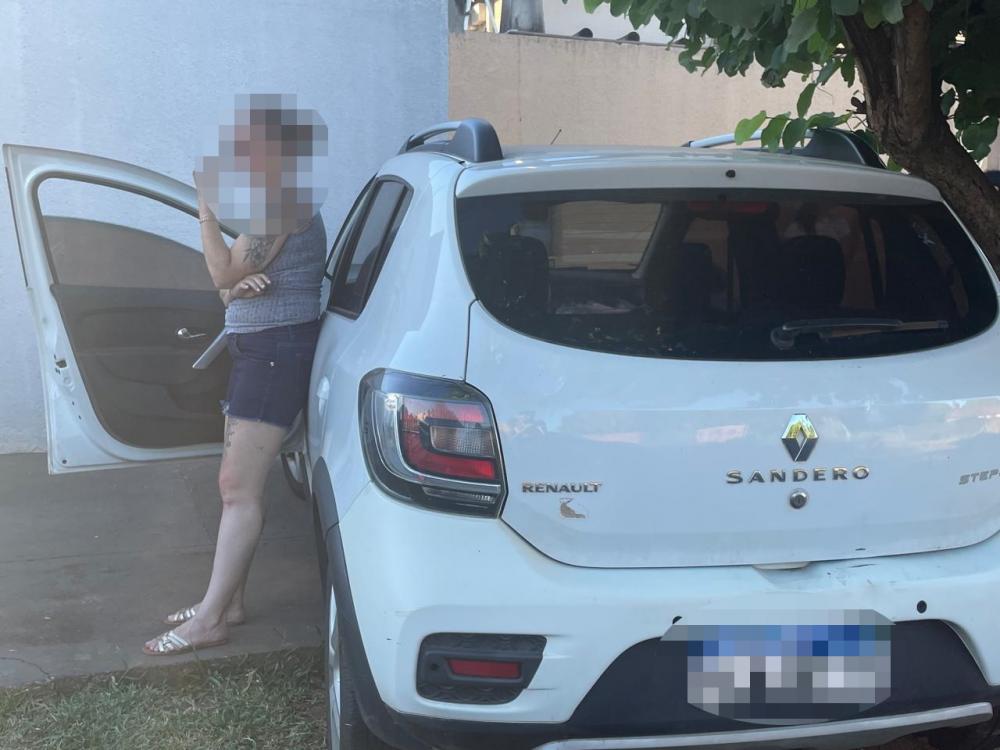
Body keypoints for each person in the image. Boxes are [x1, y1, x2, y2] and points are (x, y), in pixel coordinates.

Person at [144, 96, 328, 655]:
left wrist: (203, 212)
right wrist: (235, 288)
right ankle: (229, 603)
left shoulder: (281, 206)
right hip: (259, 349)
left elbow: (221, 271)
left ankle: (210, 621)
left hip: (274, 352)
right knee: (238, 485)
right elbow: (228, 286)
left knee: (236, 487)